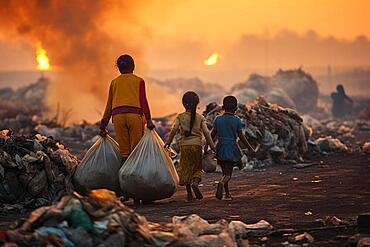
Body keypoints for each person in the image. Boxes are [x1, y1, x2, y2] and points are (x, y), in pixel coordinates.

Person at [100, 54, 155, 162]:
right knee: (136, 151)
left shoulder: (114, 82)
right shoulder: (139, 81)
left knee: (124, 152)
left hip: (118, 117)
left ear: (119, 69)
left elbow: (109, 105)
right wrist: (148, 120)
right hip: (134, 116)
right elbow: (143, 101)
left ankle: (124, 175)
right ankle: (134, 174)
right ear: (133, 66)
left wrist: (103, 126)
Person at [165, 91, 215, 202]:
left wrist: (168, 143)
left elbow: (173, 130)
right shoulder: (200, 118)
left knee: (186, 169)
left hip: (185, 147)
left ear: (183, 104)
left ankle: (189, 195)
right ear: (197, 104)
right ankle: (195, 183)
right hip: (197, 146)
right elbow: (207, 133)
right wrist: (212, 146)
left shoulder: (180, 117)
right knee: (197, 168)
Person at [211, 96, 256, 200]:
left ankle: (227, 193)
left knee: (224, 172)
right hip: (231, 148)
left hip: (220, 147)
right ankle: (221, 184)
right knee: (228, 174)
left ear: (222, 107)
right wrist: (250, 148)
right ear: (235, 108)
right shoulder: (236, 120)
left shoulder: (218, 119)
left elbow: (212, 134)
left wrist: (206, 145)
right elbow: (241, 136)